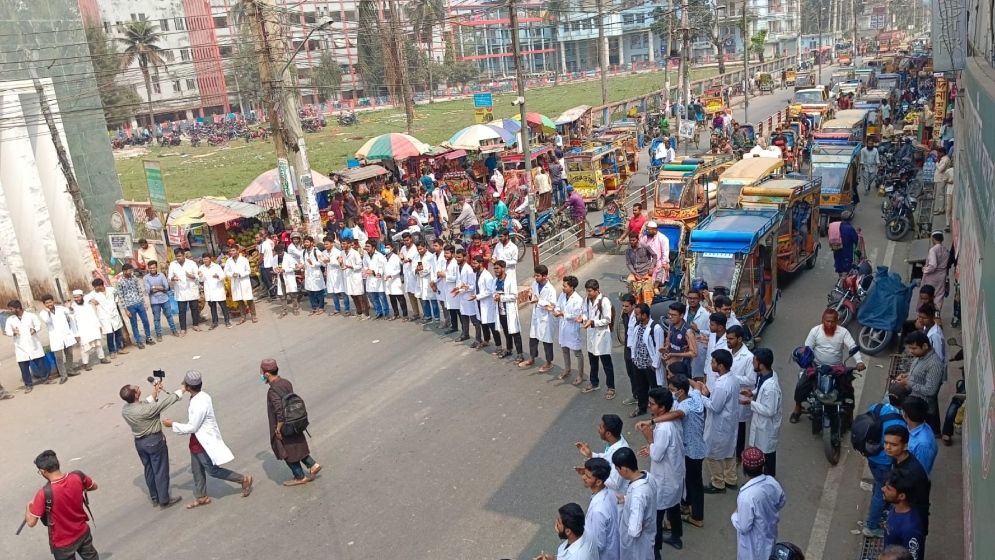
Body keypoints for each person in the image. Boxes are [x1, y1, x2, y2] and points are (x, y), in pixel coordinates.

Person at [162, 370, 253, 508]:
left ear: (188, 387)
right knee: (196, 470)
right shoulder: (200, 396)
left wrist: (172, 424)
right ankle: (201, 496)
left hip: (203, 443)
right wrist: (183, 388)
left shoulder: (200, 403)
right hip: (196, 441)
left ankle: (243, 479)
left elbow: (193, 427)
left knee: (212, 470)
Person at [790, 308, 865, 423]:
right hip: (817, 367)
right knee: (801, 386)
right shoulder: (815, 331)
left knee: (848, 391)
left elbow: (852, 347)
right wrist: (805, 360)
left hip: (837, 369)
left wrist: (859, 361)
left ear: (837, 321)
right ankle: (798, 408)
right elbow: (807, 349)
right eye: (827, 321)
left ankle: (850, 416)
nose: (830, 324)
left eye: (833, 321)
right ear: (822, 320)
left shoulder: (843, 332)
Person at [24, 450, 99, 559]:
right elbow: (94, 486)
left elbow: (31, 522)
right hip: (83, 532)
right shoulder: (77, 476)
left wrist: (28, 506)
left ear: (43, 471)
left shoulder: (43, 494)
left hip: (62, 544)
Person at [120, 380, 183, 508]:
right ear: (136, 395)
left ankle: (155, 496)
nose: (138, 386)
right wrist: (183, 389)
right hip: (154, 442)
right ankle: (164, 499)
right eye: (136, 388)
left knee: (149, 469)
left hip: (140, 443)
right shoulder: (146, 410)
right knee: (160, 470)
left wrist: (156, 391)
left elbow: (145, 403)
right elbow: (166, 402)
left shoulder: (126, 409)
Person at [260, 359, 321, 486]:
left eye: (261, 372)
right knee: (298, 445)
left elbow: (279, 413)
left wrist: (278, 429)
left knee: (286, 453)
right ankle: (313, 465)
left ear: (267, 374)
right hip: (295, 421)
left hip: (284, 426)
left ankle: (299, 476)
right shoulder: (286, 382)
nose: (260, 375)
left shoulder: (273, 391)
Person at [638, 388, 685, 552]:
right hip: (673, 475)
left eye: (652, 404)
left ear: (662, 408)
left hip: (665, 479)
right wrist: (651, 445)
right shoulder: (667, 421)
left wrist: (649, 438)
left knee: (656, 516)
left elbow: (657, 455)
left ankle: (655, 549)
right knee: (673, 507)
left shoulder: (664, 428)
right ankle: (676, 535)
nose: (649, 407)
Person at [883, 425, 932, 557]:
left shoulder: (912, 473)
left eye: (893, 444)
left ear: (905, 446)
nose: (887, 447)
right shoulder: (898, 460)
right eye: (886, 443)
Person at [731, 448, 786, 560]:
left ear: (744, 470)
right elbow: (782, 501)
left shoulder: (746, 496)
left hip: (752, 547)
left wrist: (734, 515)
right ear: (763, 467)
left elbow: (744, 527)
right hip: (770, 534)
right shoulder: (772, 482)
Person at [698, 349, 739, 492]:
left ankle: (718, 483)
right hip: (729, 422)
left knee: (711, 454)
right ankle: (731, 479)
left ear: (721, 366)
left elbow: (714, 407)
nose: (711, 364)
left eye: (713, 362)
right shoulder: (732, 378)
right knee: (729, 451)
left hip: (719, 425)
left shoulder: (722, 385)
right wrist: (709, 394)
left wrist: (700, 396)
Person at [739, 348, 782, 476]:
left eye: (754, 361)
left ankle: (768, 481)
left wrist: (750, 403)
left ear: (761, 364)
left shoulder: (771, 388)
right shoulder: (765, 376)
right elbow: (760, 388)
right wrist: (752, 393)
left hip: (766, 427)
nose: (752, 363)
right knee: (760, 454)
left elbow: (770, 410)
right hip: (760, 424)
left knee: (767, 458)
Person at [894, 331, 945, 434]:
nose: (911, 351)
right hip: (914, 400)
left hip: (923, 407)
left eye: (914, 348)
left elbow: (930, 391)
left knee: (924, 432)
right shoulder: (920, 357)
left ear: (925, 346)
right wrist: (907, 375)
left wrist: (909, 382)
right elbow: (919, 375)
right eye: (910, 348)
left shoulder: (934, 365)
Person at [613, 447, 657, 560]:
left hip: (636, 547)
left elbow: (634, 530)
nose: (618, 472)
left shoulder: (638, 496)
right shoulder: (648, 477)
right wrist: (626, 499)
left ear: (624, 469)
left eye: (617, 469)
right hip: (647, 537)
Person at [576, 414, 631, 501]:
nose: (598, 429)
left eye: (601, 428)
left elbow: (615, 483)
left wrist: (594, 474)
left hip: (617, 499)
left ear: (608, 433)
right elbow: (607, 459)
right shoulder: (615, 441)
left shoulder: (620, 453)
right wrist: (591, 455)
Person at [578, 457, 620, 560]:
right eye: (584, 473)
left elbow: (598, 544)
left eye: (588, 476)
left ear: (598, 482)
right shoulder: (610, 493)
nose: (583, 477)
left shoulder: (598, 511)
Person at [628, 303, 663, 418]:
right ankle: (641, 408)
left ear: (644, 315)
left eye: (637, 314)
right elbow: (634, 343)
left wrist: (655, 364)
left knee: (654, 389)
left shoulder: (656, 328)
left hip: (650, 365)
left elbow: (659, 348)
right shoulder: (638, 326)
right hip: (638, 363)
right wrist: (633, 357)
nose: (635, 316)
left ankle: (658, 411)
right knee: (641, 388)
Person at [5, 300, 48, 392]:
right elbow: (7, 331)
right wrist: (13, 332)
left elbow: (38, 325)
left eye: (11, 309)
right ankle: (28, 385)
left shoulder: (30, 315)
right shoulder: (10, 319)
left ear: (18, 308)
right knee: (24, 368)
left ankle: (45, 379)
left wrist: (34, 329)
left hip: (33, 344)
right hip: (21, 347)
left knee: (40, 363)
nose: (10, 311)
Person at [583, 279, 616, 399]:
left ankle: (611, 387)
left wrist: (592, 322)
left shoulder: (604, 301)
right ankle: (594, 382)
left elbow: (607, 319)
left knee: (606, 364)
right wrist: (583, 319)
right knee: (593, 362)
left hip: (602, 336)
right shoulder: (587, 300)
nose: (588, 293)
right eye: (587, 291)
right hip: (591, 335)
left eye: (590, 291)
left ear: (597, 290)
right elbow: (585, 312)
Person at [726, 325, 756, 460]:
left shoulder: (748, 357)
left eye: (731, 339)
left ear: (739, 339)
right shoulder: (728, 351)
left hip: (740, 395)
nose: (728, 341)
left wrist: (730, 376)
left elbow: (751, 380)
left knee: (739, 427)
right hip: (728, 394)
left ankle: (739, 455)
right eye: (727, 338)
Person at [520, 265, 557, 371]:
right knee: (533, 339)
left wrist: (538, 301)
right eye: (535, 275)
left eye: (538, 276)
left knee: (547, 341)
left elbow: (552, 305)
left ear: (545, 276)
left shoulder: (550, 289)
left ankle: (549, 362)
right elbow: (532, 295)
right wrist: (530, 296)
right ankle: (531, 358)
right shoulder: (535, 284)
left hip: (546, 318)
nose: (535, 278)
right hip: (536, 315)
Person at [39, 295, 79, 384]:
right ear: (44, 304)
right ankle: (63, 375)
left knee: (69, 354)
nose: (49, 304)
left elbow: (70, 312)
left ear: (53, 301)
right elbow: (47, 321)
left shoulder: (60, 308)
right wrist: (48, 312)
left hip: (66, 335)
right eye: (47, 303)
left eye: (50, 302)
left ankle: (70, 370)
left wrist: (69, 307)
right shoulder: (43, 313)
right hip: (55, 338)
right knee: (59, 357)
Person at [555, 275, 586, 384]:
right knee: (564, 349)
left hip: (572, 328)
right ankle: (567, 369)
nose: (563, 288)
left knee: (577, 353)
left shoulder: (578, 299)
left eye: (565, 286)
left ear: (572, 287)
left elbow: (577, 315)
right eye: (563, 286)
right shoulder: (562, 295)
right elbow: (558, 306)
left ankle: (580, 375)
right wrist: (557, 311)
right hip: (563, 327)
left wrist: (564, 314)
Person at [115, 264, 153, 347]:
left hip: (139, 303)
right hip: (130, 305)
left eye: (131, 270)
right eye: (129, 271)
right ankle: (138, 340)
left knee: (145, 321)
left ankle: (148, 337)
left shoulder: (134, 278)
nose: (131, 272)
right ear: (124, 271)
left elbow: (139, 290)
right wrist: (126, 310)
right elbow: (121, 297)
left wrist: (144, 302)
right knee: (134, 324)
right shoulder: (120, 282)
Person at [87, 278, 126, 358]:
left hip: (114, 315)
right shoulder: (94, 293)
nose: (95, 289)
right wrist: (91, 300)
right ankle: (112, 351)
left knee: (118, 333)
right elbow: (85, 298)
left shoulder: (111, 290)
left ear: (101, 285)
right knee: (110, 335)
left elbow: (117, 295)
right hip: (104, 316)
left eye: (96, 287)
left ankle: (119, 348)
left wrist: (115, 302)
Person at [901, 396, 937, 476]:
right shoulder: (915, 427)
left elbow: (921, 471)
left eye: (902, 411)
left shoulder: (923, 445)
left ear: (905, 415)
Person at [143, 261, 178, 338]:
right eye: (151, 268)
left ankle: (174, 330)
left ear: (156, 267)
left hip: (165, 299)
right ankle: (159, 334)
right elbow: (148, 290)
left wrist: (154, 287)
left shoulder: (161, 275)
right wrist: (159, 288)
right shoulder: (146, 278)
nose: (152, 269)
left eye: (154, 267)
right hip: (154, 301)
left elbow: (166, 287)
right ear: (148, 268)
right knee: (156, 319)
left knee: (169, 316)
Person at [168, 252, 201, 335]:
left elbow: (198, 275)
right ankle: (183, 328)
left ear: (183, 256)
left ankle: (195, 325)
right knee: (181, 311)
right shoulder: (172, 264)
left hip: (191, 289)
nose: (178, 258)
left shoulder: (191, 263)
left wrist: (191, 276)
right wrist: (173, 278)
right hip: (180, 292)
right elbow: (169, 277)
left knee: (194, 309)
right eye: (176, 256)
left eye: (179, 256)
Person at [223, 246, 257, 323]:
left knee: (249, 299)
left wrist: (240, 274)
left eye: (233, 250)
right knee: (239, 300)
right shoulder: (229, 261)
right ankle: (243, 317)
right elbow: (226, 272)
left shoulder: (244, 260)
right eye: (230, 251)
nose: (232, 252)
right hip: (235, 282)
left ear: (238, 251)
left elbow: (248, 271)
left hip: (244, 281)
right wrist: (232, 274)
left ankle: (253, 316)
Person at [472, 256, 500, 350]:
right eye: (473, 263)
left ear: (481, 263)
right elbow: (474, 286)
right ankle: (486, 340)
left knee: (492, 325)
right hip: (479, 303)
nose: (473, 265)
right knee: (482, 323)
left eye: (475, 263)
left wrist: (477, 296)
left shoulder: (487, 275)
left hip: (487, 304)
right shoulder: (476, 274)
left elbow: (489, 291)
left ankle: (498, 346)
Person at [196, 253, 230, 329]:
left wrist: (218, 276)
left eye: (207, 259)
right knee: (212, 307)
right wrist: (200, 276)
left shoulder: (216, 266)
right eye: (204, 259)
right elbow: (200, 280)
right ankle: (215, 322)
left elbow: (223, 276)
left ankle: (227, 321)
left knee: (223, 306)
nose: (205, 260)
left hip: (218, 289)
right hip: (209, 290)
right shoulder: (201, 268)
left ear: (210, 259)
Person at [684, 288, 711, 381]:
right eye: (690, 298)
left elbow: (712, 333)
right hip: (685, 347)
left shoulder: (706, 314)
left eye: (694, 298)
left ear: (699, 299)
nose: (692, 300)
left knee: (697, 378)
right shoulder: (684, 311)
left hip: (699, 349)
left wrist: (698, 330)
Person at [920, 231, 950, 311]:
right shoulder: (945, 250)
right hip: (942, 276)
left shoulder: (933, 250)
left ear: (933, 239)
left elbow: (933, 265)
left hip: (932, 277)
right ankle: (936, 314)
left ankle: (927, 312)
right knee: (939, 295)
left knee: (928, 294)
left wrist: (925, 270)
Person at [625, 234, 657, 305]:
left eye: (634, 240)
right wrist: (635, 274)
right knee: (630, 283)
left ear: (637, 239)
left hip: (646, 272)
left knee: (645, 291)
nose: (632, 242)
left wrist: (651, 267)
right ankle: (632, 304)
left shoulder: (645, 246)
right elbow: (628, 263)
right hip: (635, 273)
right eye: (630, 240)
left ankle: (647, 307)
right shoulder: (628, 250)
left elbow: (654, 256)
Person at [362, 240, 388, 319]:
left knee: (382, 297)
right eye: (366, 246)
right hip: (370, 278)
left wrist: (375, 272)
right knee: (374, 297)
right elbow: (365, 265)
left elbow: (383, 267)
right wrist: (367, 270)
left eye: (368, 246)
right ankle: (378, 312)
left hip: (378, 279)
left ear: (373, 247)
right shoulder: (365, 256)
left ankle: (386, 312)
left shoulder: (379, 256)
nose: (366, 248)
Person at [273, 244, 301, 317]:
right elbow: (274, 267)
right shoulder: (275, 258)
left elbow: (293, 268)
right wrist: (276, 270)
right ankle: (284, 310)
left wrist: (284, 270)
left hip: (288, 278)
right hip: (281, 278)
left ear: (283, 250)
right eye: (278, 253)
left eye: (281, 252)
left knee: (293, 294)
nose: (280, 254)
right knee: (282, 295)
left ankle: (295, 308)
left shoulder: (289, 257)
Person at [830, 211, 859, 275]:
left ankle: (840, 277)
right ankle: (843, 280)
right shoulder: (850, 228)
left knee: (839, 264)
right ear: (850, 219)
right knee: (846, 267)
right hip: (847, 251)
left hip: (837, 249)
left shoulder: (837, 226)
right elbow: (856, 240)